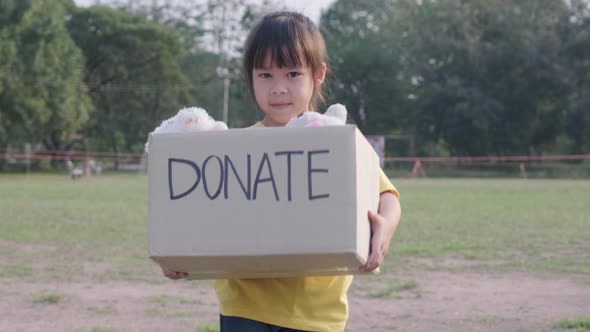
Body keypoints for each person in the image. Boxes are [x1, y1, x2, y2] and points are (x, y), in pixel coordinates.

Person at [161, 11, 402, 332]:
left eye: (291, 73)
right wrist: (178, 253)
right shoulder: (233, 147)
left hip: (318, 313)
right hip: (244, 307)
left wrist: (384, 227)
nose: (278, 88)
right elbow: (200, 209)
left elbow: (387, 194)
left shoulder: (335, 142)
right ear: (250, 77)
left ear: (317, 74)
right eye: (265, 75)